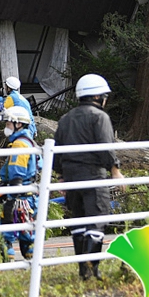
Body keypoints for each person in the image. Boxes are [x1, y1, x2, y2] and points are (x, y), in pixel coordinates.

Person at [54, 74, 123, 280]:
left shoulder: (65, 119)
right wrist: (115, 170)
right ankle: (93, 269)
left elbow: (57, 151)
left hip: (71, 178)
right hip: (93, 176)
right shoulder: (99, 117)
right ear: (98, 97)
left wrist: (61, 176)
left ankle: (82, 270)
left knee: (78, 223)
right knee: (97, 221)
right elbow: (105, 147)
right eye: (104, 96)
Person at [0, 106, 40, 262]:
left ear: (18, 124)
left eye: (8, 123)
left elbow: (17, 173)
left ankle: (6, 262)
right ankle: (31, 261)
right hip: (31, 196)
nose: (6, 127)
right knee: (28, 230)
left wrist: (10, 197)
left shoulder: (19, 145)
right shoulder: (30, 142)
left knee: (6, 230)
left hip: (19, 196)